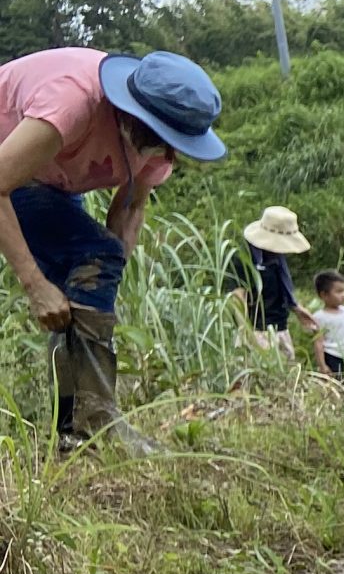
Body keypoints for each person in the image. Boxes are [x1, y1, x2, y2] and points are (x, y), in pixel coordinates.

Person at [0, 47, 226, 446]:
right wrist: (35, 284)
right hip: (10, 165)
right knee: (90, 257)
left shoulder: (158, 147)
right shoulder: (71, 101)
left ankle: (72, 430)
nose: (168, 153)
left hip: (50, 179)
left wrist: (101, 291)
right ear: (133, 114)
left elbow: (128, 211)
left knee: (81, 288)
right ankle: (97, 425)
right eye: (161, 137)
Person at [229, 206, 319, 351]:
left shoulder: (277, 256)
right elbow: (238, 297)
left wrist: (297, 309)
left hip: (280, 327)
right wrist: (246, 331)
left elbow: (282, 288)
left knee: (287, 371)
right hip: (257, 330)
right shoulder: (244, 257)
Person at [308, 271, 344, 378]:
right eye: (338, 292)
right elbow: (318, 342)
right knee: (340, 383)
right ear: (324, 295)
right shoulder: (319, 317)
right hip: (334, 356)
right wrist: (322, 365)